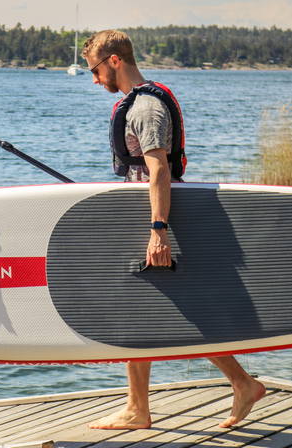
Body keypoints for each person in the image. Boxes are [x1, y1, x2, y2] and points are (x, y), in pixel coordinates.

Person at [81, 30, 266, 430]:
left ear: (114, 61)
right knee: (148, 310)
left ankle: (234, 385)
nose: (94, 80)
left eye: (95, 70)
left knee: (166, 311)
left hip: (164, 222)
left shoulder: (145, 108)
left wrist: (158, 229)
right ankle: (147, 405)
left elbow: (160, 168)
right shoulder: (140, 102)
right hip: (153, 219)